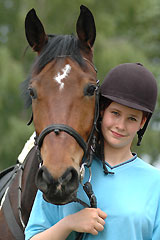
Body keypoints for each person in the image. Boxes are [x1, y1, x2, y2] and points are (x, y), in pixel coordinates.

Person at [25, 62, 160, 240]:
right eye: (116, 113)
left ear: (142, 123)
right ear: (102, 110)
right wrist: (69, 223)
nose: (120, 126)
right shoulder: (66, 171)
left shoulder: (155, 183)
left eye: (132, 118)